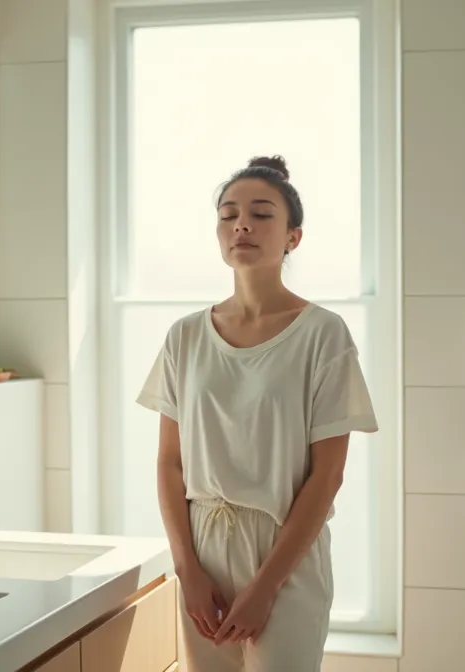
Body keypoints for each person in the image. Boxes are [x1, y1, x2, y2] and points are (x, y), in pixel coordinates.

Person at [136, 155, 378, 671]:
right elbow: (169, 463)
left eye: (262, 214)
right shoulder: (185, 336)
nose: (241, 223)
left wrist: (266, 587)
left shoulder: (322, 334)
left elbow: (327, 476)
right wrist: (188, 571)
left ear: (293, 237)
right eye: (228, 214)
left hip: (283, 552)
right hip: (202, 549)